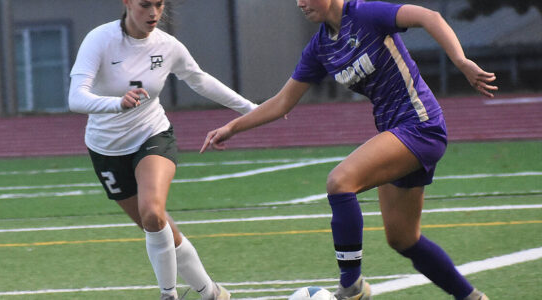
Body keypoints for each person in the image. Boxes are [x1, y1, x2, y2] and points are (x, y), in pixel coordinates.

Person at [200, 1, 498, 299]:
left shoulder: (365, 13)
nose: (300, 3)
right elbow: (282, 103)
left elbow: (429, 16)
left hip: (420, 125)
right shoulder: (320, 47)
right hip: (397, 134)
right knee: (403, 239)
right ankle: (473, 297)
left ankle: (352, 286)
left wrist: (460, 61)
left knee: (340, 182)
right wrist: (232, 127)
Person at [68, 0, 258, 299]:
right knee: (156, 226)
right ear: (128, 3)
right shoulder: (100, 40)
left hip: (152, 135)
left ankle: (168, 295)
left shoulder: (167, 45)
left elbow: (199, 80)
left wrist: (252, 110)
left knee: (153, 213)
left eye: (159, 4)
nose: (154, 12)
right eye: (145, 4)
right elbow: (75, 98)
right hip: (105, 149)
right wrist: (116, 104)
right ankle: (211, 293)